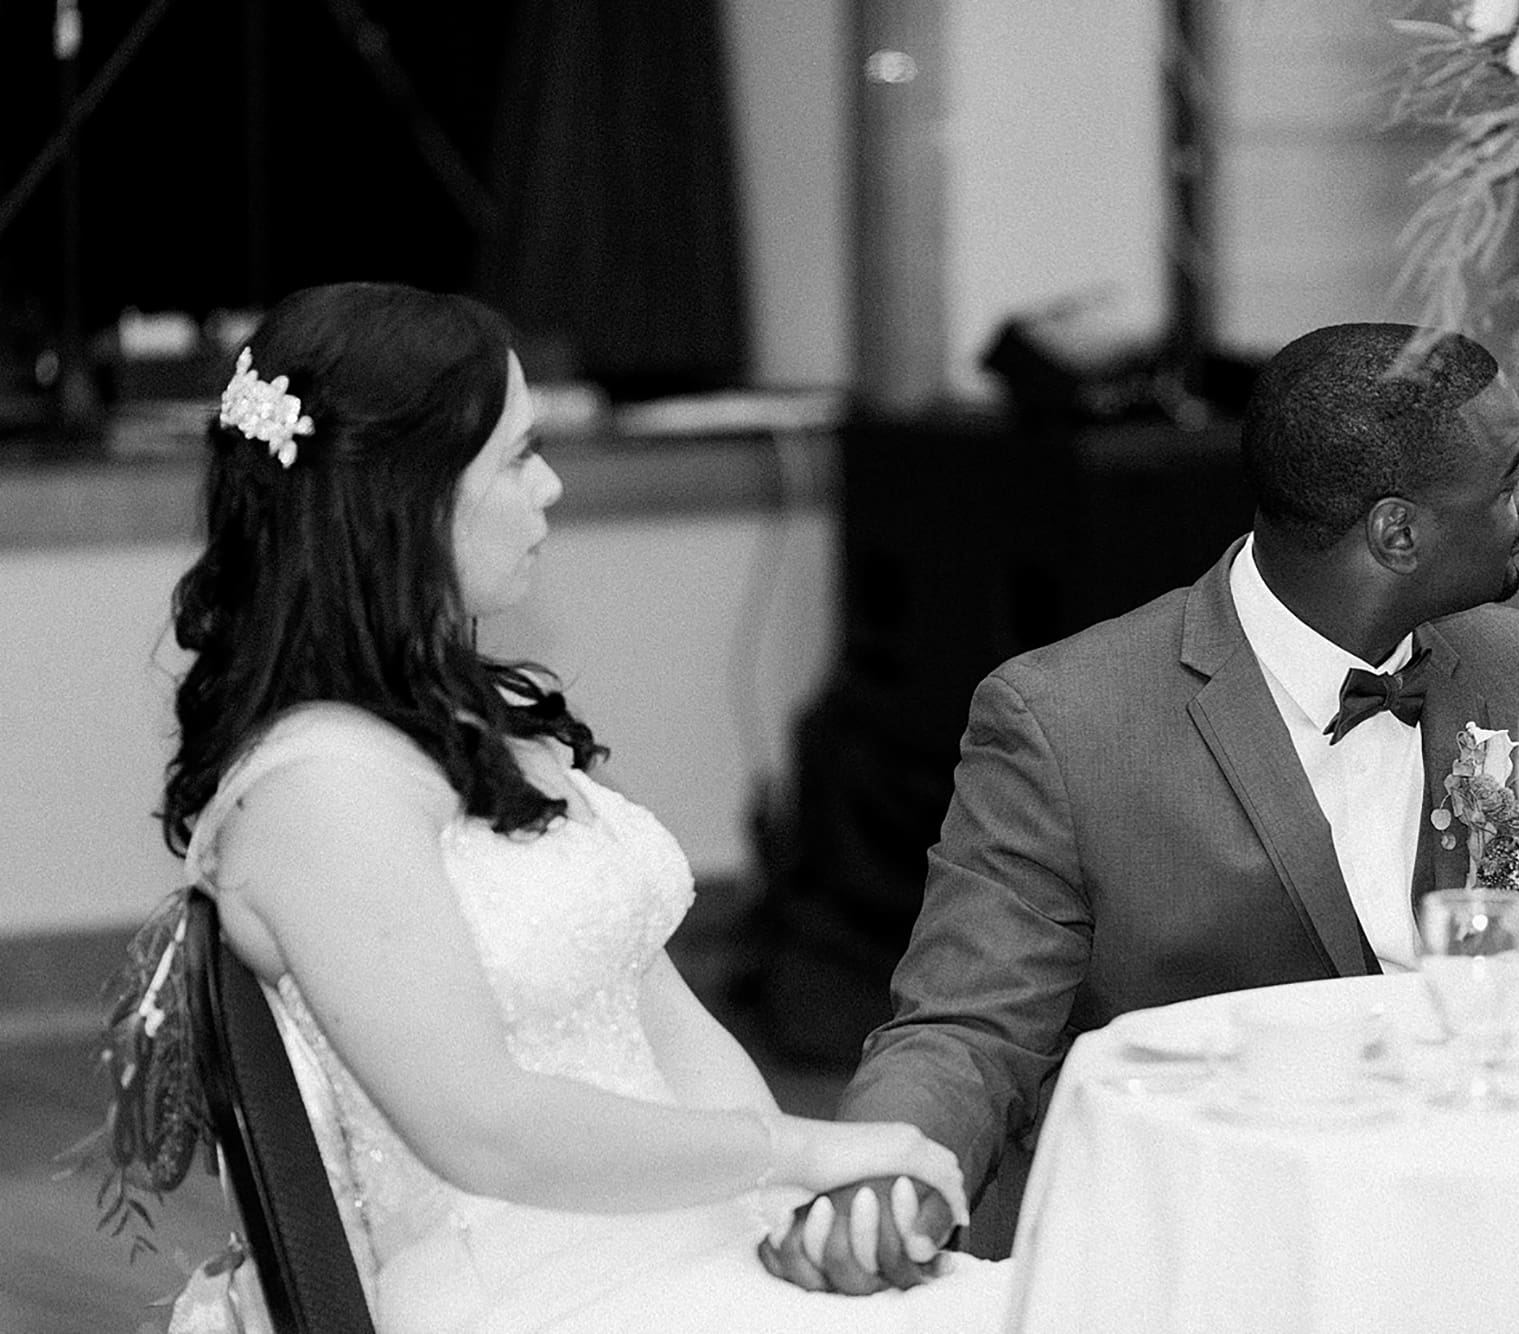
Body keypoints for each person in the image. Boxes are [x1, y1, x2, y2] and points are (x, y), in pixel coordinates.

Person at [131, 282, 1010, 1331]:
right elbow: (482, 1124)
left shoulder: (479, 725)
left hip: (679, 1236)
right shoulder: (316, 796)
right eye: (517, 456)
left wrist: (790, 1203)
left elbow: (663, 1021)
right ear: (406, 498)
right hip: (527, 1282)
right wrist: (799, 1147)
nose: (550, 486)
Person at [760, 322, 1519, 1291]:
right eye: (1506, 482)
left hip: (1504, 1226)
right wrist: (877, 1179)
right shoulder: (1066, 722)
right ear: (1397, 533)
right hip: (1214, 1247)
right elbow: (968, 1028)